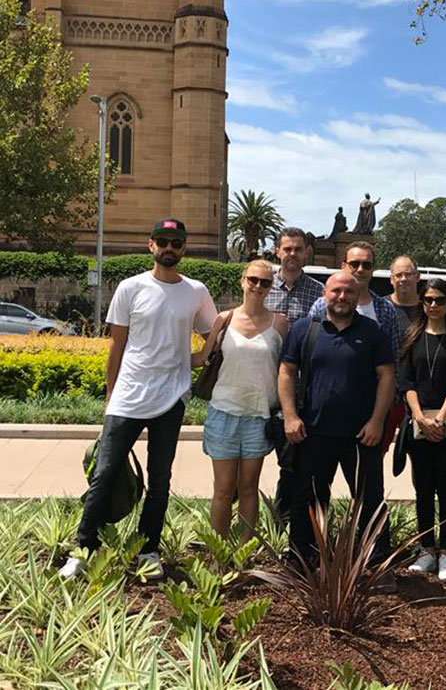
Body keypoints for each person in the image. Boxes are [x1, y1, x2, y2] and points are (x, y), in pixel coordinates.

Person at [59, 218, 217, 581]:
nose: (169, 248)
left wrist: (200, 356)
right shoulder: (130, 288)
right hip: (128, 397)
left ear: (184, 248)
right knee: (105, 473)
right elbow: (117, 346)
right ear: (150, 245)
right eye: (162, 241)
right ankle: (84, 548)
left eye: (176, 242)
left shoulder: (196, 291)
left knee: (160, 481)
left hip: (171, 398)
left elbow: (212, 333)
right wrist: (110, 396)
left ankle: (148, 551)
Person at [279, 273, 397, 591]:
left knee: (369, 500)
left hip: (361, 435)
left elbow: (387, 377)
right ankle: (303, 560)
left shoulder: (372, 332)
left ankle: (376, 564)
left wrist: (377, 422)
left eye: (349, 291)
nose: (342, 296)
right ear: (326, 294)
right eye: (336, 291)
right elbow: (287, 371)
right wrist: (289, 416)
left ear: (358, 296)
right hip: (314, 432)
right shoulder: (305, 329)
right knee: (310, 500)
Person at [193, 260, 289, 539]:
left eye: (265, 282)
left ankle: (243, 554)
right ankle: (219, 552)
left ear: (272, 287)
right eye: (253, 280)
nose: (258, 286)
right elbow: (201, 358)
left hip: (259, 415)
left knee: (249, 487)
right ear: (242, 281)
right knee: (223, 488)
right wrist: (156, 358)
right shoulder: (224, 320)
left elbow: (287, 368)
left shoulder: (280, 323)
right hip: (223, 412)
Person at [401, 279, 446, 582]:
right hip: (419, 426)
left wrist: (439, 420)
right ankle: (426, 550)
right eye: (427, 300)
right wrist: (419, 417)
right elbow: (406, 380)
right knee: (423, 489)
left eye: (439, 300)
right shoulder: (413, 335)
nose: (432, 305)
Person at [264, 227, 324, 522]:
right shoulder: (262, 285)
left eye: (297, 249)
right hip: (261, 385)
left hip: (300, 389)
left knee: (293, 461)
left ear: (306, 252)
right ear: (278, 251)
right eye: (287, 249)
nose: (292, 254)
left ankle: (285, 519)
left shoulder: (318, 292)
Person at [308, 241, 400, 360]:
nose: (360, 270)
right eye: (354, 264)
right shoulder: (321, 305)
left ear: (372, 270)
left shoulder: (386, 309)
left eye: (366, 265)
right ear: (343, 267)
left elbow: (394, 357)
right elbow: (307, 347)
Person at [384, 255, 422, 453]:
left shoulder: (429, 308)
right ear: (391, 279)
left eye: (408, 274)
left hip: (421, 395)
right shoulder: (381, 308)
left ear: (418, 277)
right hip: (387, 395)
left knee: (420, 456)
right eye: (398, 274)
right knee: (376, 452)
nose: (403, 279)